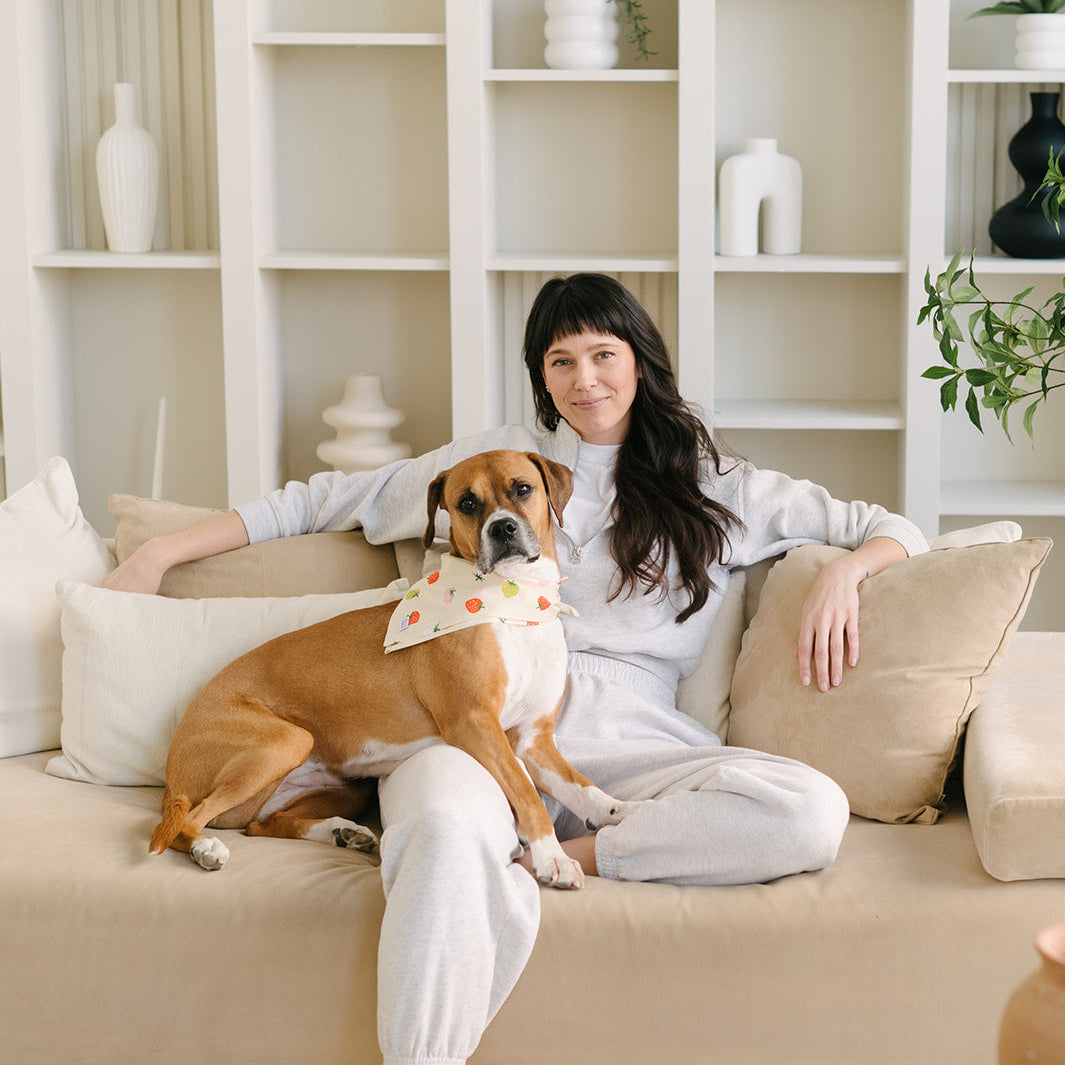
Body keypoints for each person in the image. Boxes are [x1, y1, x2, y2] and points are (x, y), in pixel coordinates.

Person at [103, 273, 927, 1065]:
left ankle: (567, 854)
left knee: (810, 810)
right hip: (469, 722)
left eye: (603, 353)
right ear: (540, 375)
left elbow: (888, 524)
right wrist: (162, 552)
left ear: (639, 357)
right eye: (559, 361)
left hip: (626, 731)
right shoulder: (496, 463)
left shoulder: (720, 487)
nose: (584, 378)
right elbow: (318, 499)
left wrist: (843, 572)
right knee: (438, 830)